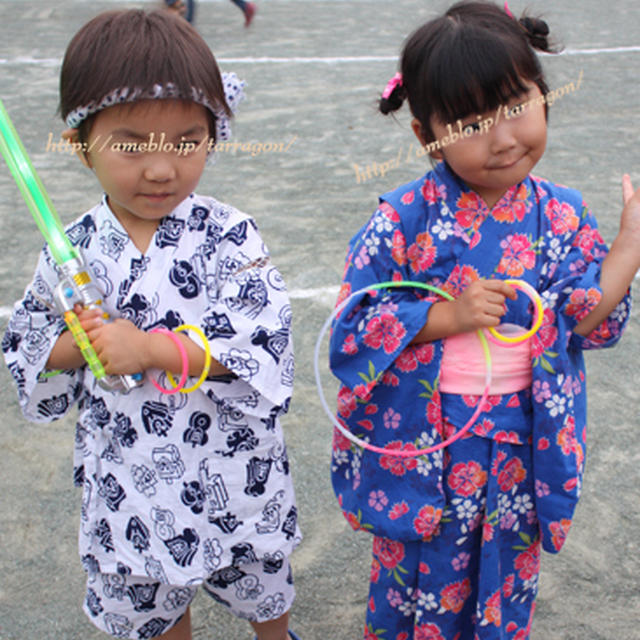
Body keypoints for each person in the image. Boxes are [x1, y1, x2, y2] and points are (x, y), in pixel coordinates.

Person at [328, 2, 640, 639]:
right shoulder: (404, 218)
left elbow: (588, 321)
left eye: (515, 107)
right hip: (429, 444)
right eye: (471, 122)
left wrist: (627, 252)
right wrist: (446, 317)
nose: (502, 138)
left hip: (520, 439)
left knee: (506, 573)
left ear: (542, 95)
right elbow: (350, 330)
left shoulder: (562, 215)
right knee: (420, 575)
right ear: (427, 135)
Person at [2, 9, 301, 640]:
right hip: (129, 474)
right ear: (82, 144)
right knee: (149, 593)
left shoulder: (229, 235)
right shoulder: (73, 249)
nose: (161, 168)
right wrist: (77, 344)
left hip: (230, 460)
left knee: (260, 581)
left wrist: (152, 350)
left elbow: (262, 344)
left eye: (186, 142)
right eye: (132, 144)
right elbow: (28, 343)